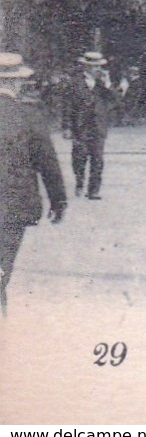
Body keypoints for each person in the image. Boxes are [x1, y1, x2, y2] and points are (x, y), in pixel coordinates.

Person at [0, 52, 67, 315]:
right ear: (17, 83)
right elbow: (48, 163)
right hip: (15, 204)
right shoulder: (30, 116)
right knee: (4, 259)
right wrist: (58, 200)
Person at [66, 51, 116, 200]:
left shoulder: (103, 84)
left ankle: (93, 190)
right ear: (85, 67)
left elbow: (116, 100)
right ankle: (79, 182)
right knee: (79, 158)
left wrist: (107, 84)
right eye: (94, 67)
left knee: (98, 159)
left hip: (98, 126)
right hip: (80, 126)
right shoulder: (74, 83)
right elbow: (68, 106)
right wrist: (67, 127)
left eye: (99, 67)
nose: (97, 70)